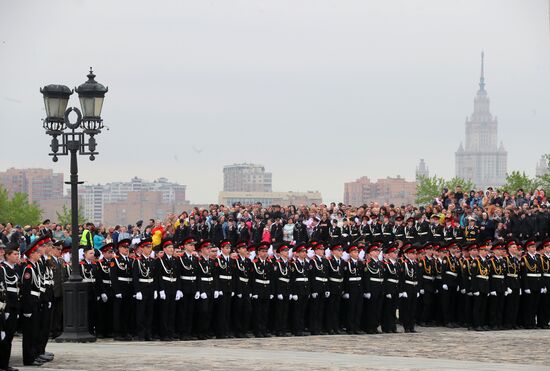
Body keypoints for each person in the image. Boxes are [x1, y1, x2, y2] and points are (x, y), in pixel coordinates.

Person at [21, 236, 53, 366]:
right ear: (32, 254)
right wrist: (27, 308)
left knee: (35, 331)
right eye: (37, 253)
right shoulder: (28, 269)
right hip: (32, 301)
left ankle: (34, 355)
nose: (40, 255)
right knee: (29, 333)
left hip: (36, 301)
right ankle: (29, 358)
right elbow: (26, 290)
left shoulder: (34, 267)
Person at [155, 238, 179, 341]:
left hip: (173, 286)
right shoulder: (160, 260)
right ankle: (163, 333)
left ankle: (170, 332)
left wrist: (178, 289)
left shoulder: (175, 260)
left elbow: (177, 275)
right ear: (164, 249)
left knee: (172, 312)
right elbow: (158, 276)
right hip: (165, 286)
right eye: (169, 247)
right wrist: (161, 290)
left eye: (172, 247)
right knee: (164, 312)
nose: (171, 249)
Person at [0, 247, 20, 371]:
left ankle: (5, 364)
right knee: (4, 337)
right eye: (14, 254)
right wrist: (5, 309)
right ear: (7, 255)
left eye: (17, 254)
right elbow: (3, 290)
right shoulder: (2, 269)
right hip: (6, 307)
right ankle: (2, 364)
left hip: (14, 306)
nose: (17, 256)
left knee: (10, 336)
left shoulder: (14, 269)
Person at [175, 236, 199, 341]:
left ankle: (188, 332)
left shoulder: (195, 259)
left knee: (190, 311)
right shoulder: (180, 258)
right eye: (190, 245)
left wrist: (198, 289)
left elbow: (197, 275)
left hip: (193, 287)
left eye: (193, 245)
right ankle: (182, 332)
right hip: (184, 287)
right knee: (183, 311)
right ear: (185, 246)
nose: (193, 246)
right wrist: (179, 289)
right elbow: (178, 275)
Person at [110, 238, 133, 341]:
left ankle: (125, 331)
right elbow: (113, 277)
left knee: (127, 311)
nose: (126, 249)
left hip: (128, 287)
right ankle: (117, 332)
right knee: (118, 312)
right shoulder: (115, 260)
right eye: (124, 247)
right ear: (119, 248)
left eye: (127, 247)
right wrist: (117, 290)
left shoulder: (130, 260)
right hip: (120, 287)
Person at [133, 238, 156, 341]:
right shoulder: (138, 261)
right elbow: (135, 277)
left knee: (150, 312)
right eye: (147, 247)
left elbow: (155, 276)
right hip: (142, 288)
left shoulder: (152, 260)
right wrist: (137, 291)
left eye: (150, 247)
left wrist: (155, 290)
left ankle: (148, 333)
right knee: (141, 312)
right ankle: (141, 334)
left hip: (151, 287)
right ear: (142, 249)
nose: (149, 249)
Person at [251, 241, 272, 338]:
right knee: (257, 311)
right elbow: (252, 278)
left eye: (266, 251)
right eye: (262, 251)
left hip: (266, 289)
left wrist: (271, 291)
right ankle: (257, 330)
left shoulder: (268, 263)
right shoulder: (254, 263)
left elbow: (271, 278)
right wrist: (254, 292)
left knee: (265, 311)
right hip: (258, 288)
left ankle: (264, 329)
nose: (264, 253)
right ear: (258, 252)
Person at [213, 239, 233, 339]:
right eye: (226, 248)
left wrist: (232, 288)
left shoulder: (231, 260)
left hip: (229, 287)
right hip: (222, 287)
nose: (228, 250)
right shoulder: (218, 260)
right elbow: (216, 275)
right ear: (221, 249)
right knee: (221, 311)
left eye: (229, 248)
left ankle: (226, 330)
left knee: (227, 311)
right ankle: (220, 332)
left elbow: (233, 275)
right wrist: (218, 288)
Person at [363, 242, 384, 334]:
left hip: (379, 287)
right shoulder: (368, 263)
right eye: (375, 251)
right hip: (372, 287)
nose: (377, 252)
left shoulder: (380, 263)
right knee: (371, 309)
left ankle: (375, 326)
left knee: (378, 309)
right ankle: (369, 327)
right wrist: (367, 290)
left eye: (378, 250)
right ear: (370, 253)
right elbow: (366, 278)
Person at [196, 239, 215, 340]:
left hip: (210, 287)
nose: (209, 250)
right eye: (207, 248)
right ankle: (200, 332)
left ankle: (206, 331)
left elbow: (214, 276)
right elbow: (198, 277)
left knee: (209, 311)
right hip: (203, 287)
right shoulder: (199, 261)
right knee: (203, 311)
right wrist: (200, 290)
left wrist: (215, 289)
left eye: (209, 248)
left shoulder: (211, 261)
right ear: (202, 250)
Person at [342, 244, 364, 335]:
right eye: (354, 252)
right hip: (351, 288)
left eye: (357, 252)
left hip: (359, 288)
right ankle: (350, 327)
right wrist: (346, 291)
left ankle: (356, 327)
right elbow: (345, 278)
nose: (356, 253)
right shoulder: (347, 263)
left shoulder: (360, 263)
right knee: (351, 309)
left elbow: (362, 277)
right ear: (350, 253)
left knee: (358, 309)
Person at [308, 241, 328, 335]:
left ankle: (319, 328)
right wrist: (313, 290)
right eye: (320, 249)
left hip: (323, 285)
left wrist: (327, 289)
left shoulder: (324, 261)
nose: (322, 251)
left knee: (321, 309)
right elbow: (312, 276)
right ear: (316, 250)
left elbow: (326, 275)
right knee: (314, 309)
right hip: (317, 286)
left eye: (323, 249)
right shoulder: (313, 261)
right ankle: (313, 328)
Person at [290, 242, 309, 336]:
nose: (304, 253)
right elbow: (292, 279)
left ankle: (301, 328)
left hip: (305, 289)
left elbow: (308, 278)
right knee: (297, 311)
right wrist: (293, 293)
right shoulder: (294, 264)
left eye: (305, 252)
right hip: (298, 289)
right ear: (297, 253)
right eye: (302, 252)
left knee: (303, 310)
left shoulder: (307, 263)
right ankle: (296, 329)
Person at [399, 243, 419, 333]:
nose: (414, 255)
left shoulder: (415, 264)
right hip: (407, 287)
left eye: (415, 254)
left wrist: (418, 289)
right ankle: (406, 326)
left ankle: (412, 326)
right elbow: (402, 278)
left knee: (413, 308)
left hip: (414, 287)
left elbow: (417, 277)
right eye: (412, 254)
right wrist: (403, 290)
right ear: (408, 254)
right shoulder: (404, 264)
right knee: (407, 308)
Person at [273, 242, 291, 337]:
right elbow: (276, 279)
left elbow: (290, 278)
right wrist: (278, 292)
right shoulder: (277, 263)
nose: (287, 252)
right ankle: (278, 330)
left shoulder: (288, 263)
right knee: (279, 311)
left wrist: (291, 291)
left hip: (287, 289)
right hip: (281, 288)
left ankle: (283, 329)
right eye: (285, 251)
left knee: (285, 311)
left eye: (287, 250)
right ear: (280, 252)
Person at [80, 245, 97, 335]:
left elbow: (97, 279)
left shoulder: (94, 264)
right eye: (90, 253)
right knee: (85, 311)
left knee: (92, 311)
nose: (92, 255)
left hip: (93, 291)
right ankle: (85, 330)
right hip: (85, 291)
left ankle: (91, 329)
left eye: (93, 253)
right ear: (85, 254)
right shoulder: (81, 264)